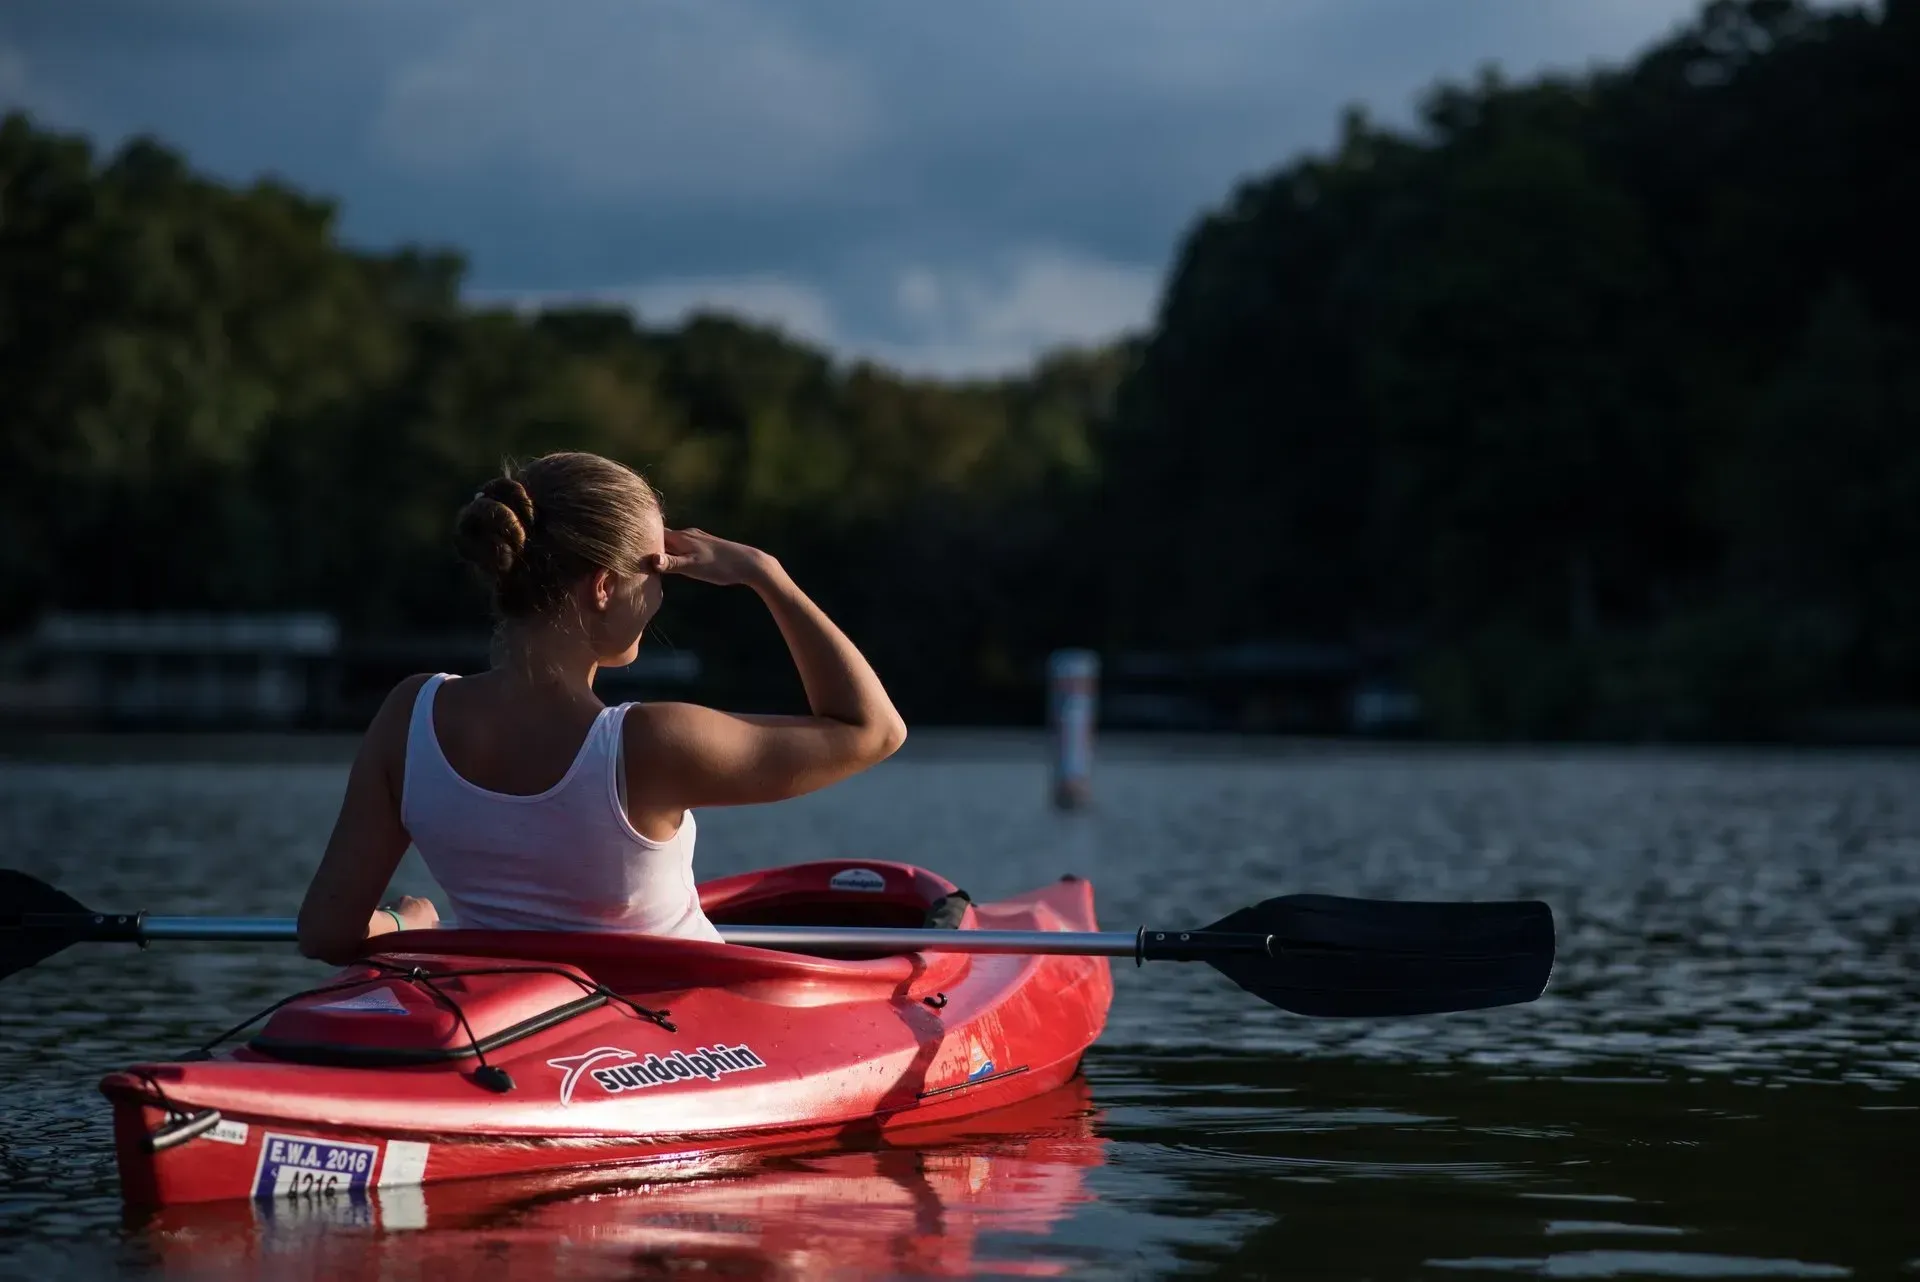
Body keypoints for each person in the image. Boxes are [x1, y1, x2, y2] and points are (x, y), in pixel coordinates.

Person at [296, 451, 907, 964]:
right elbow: (874, 729)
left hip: (515, 1030)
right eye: (658, 569)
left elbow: (328, 932)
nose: (663, 591)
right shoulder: (650, 742)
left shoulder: (410, 714)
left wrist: (409, 928)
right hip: (670, 1046)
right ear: (605, 588)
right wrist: (766, 575)